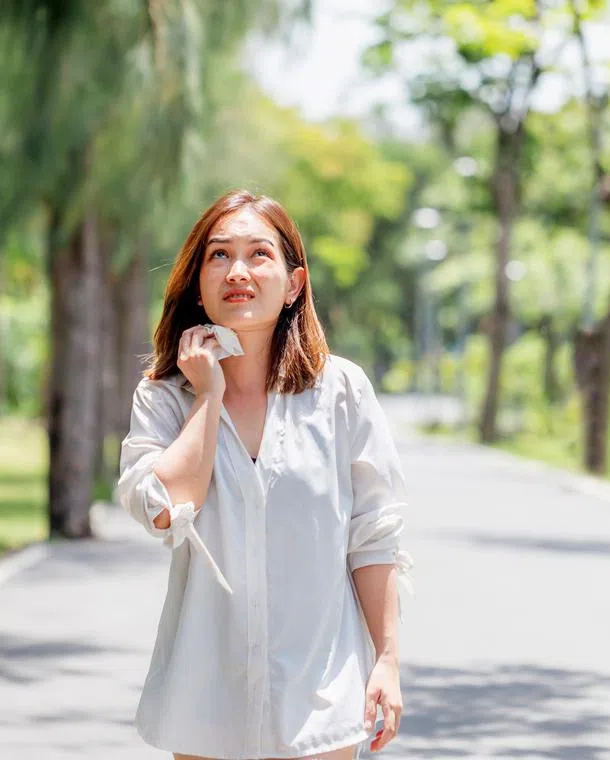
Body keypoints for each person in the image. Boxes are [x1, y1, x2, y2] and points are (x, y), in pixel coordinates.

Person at [116, 189, 412, 760]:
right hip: (206, 695)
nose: (238, 271)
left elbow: (373, 535)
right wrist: (208, 395)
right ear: (198, 283)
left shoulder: (341, 392)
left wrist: (387, 661)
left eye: (260, 254)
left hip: (321, 693)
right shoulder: (164, 398)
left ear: (295, 282)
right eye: (219, 256)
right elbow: (163, 508)